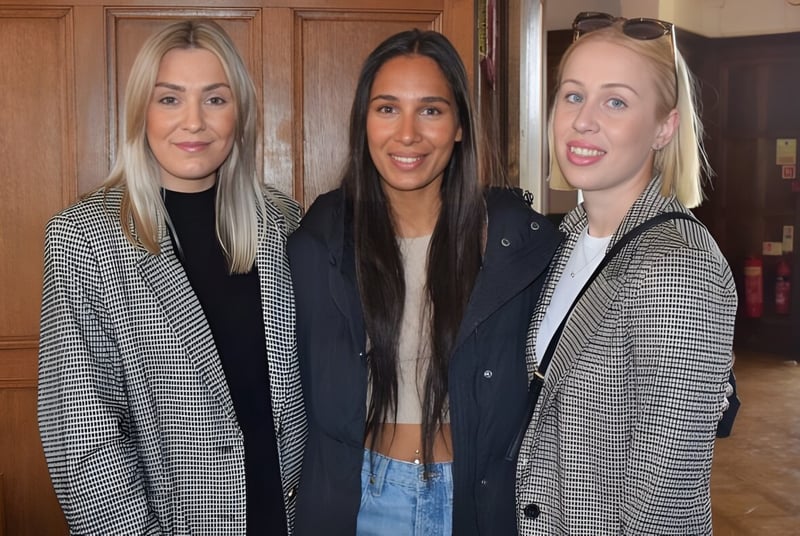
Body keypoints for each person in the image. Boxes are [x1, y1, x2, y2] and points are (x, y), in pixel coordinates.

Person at [37, 20, 305, 535]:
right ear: (141, 111)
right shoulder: (84, 239)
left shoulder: (285, 223)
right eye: (169, 99)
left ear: (240, 113)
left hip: (290, 516)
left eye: (215, 99)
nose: (194, 122)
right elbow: (82, 438)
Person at [288, 29, 561, 535]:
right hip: (363, 501)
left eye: (431, 110)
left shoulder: (518, 245)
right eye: (387, 109)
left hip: (476, 501)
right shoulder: (319, 241)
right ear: (363, 122)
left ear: (459, 125)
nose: (407, 133)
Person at [515, 12, 737, 535]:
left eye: (615, 101)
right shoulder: (562, 241)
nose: (583, 120)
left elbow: (666, 491)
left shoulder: (677, 265)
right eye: (573, 95)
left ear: (664, 126)